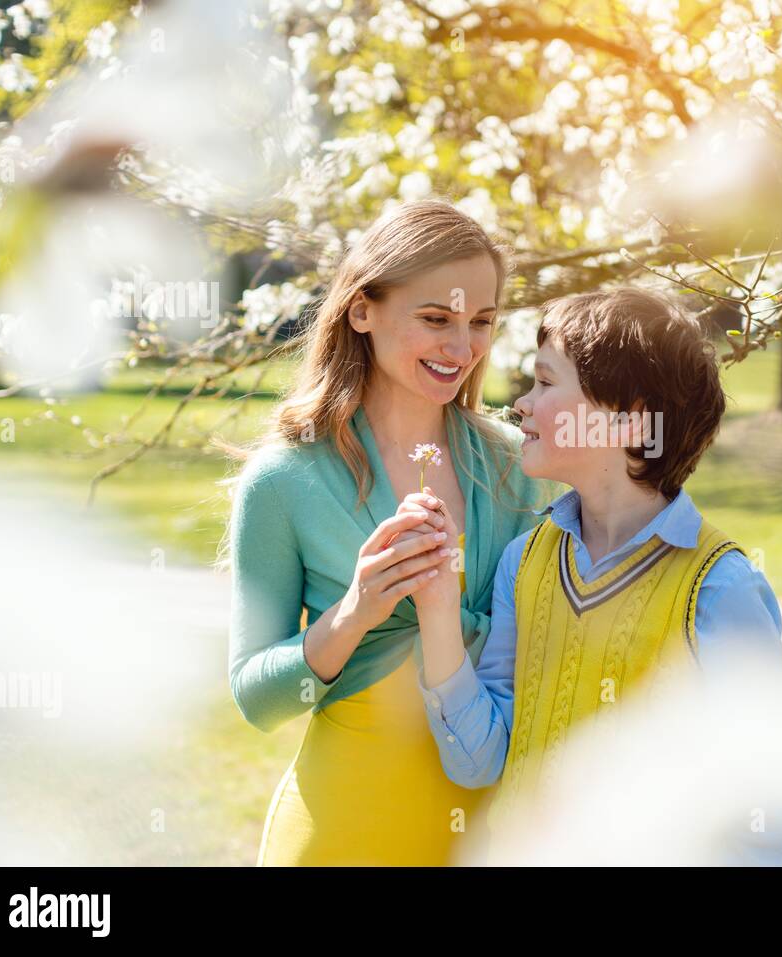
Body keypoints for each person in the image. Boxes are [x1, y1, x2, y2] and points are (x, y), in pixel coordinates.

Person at [406, 287, 782, 865]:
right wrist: (437, 608)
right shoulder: (526, 561)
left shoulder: (720, 590)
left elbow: (764, 824)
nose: (521, 405)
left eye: (544, 382)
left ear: (629, 416)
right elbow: (480, 762)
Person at [222, 200, 548, 865]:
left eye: (480, 322)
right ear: (361, 309)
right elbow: (257, 699)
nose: (461, 348)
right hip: (341, 834)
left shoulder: (516, 466)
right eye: (436, 319)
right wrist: (354, 613)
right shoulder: (283, 481)